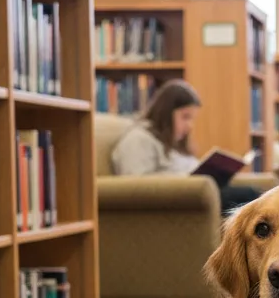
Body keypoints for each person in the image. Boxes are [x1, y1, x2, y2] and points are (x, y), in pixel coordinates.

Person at [110, 79, 260, 214]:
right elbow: (135, 187)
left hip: (197, 194)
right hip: (179, 198)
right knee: (251, 196)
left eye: (192, 119)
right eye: (185, 117)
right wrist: (184, 180)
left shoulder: (173, 144)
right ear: (166, 113)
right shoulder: (138, 139)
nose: (189, 126)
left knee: (254, 194)